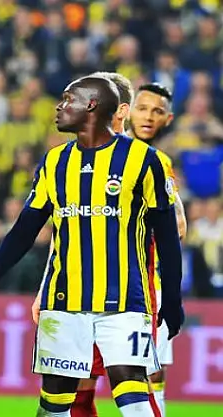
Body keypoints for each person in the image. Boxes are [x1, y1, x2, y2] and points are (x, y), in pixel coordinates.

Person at [0, 76, 185, 417]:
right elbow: (25, 229)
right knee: (54, 405)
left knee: (134, 396)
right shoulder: (55, 161)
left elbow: (169, 237)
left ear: (91, 106)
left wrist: (171, 298)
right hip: (64, 302)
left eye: (68, 100)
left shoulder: (145, 160)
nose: (59, 107)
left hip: (126, 303)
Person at [129, 83, 186, 417]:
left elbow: (178, 226)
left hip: (146, 282)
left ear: (168, 119)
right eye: (142, 108)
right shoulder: (102, 152)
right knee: (79, 378)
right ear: (127, 110)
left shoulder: (160, 162)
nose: (148, 117)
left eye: (157, 111)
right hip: (96, 281)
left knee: (152, 370)